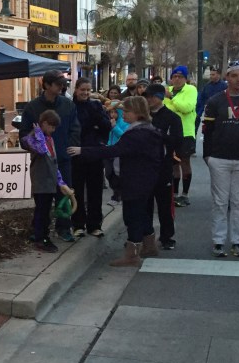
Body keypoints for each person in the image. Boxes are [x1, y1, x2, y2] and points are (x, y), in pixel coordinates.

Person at [68, 96, 166, 267]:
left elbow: (114, 150)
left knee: (132, 216)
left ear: (137, 113)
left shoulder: (137, 134)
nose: (123, 114)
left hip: (135, 180)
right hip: (145, 179)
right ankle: (149, 245)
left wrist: (83, 151)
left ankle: (132, 254)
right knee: (142, 213)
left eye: (126, 111)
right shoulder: (148, 130)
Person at [18, 70, 81, 242]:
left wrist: (68, 148)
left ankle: (64, 227)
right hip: (42, 163)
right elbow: (24, 135)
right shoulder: (32, 107)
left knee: (64, 195)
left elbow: (75, 129)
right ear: (46, 85)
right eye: (58, 84)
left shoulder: (68, 105)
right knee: (43, 199)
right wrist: (35, 146)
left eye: (63, 84)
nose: (62, 87)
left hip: (62, 159)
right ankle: (39, 230)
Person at [201, 61, 239, 258]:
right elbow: (207, 130)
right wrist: (207, 155)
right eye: (234, 76)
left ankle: (238, 242)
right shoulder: (215, 101)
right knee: (220, 201)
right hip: (219, 158)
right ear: (227, 78)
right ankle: (219, 241)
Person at [22, 110, 76, 253]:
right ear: (44, 123)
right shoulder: (32, 138)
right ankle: (41, 239)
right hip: (40, 180)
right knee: (42, 211)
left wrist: (61, 182)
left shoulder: (49, 139)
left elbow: (53, 162)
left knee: (45, 210)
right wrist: (39, 134)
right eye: (51, 127)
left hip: (50, 181)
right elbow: (40, 150)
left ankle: (39, 233)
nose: (53, 130)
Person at [71, 77, 111, 238]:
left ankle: (95, 225)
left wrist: (97, 123)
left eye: (88, 90)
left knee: (95, 191)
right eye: (83, 90)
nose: (86, 93)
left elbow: (106, 126)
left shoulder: (96, 106)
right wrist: (93, 127)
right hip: (75, 153)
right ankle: (78, 224)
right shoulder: (71, 107)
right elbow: (75, 129)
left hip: (94, 153)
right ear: (76, 89)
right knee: (77, 191)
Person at [145, 84, 182, 250]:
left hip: (163, 165)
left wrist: (157, 132)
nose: (149, 99)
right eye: (147, 96)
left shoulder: (172, 117)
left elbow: (177, 141)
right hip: (144, 166)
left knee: (164, 205)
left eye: (152, 96)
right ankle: (144, 236)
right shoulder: (142, 115)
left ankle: (167, 237)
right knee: (144, 204)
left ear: (160, 97)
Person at [164, 65, 198, 207]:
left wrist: (172, 98)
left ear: (185, 79)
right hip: (171, 133)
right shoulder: (167, 90)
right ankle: (174, 193)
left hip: (186, 133)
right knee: (173, 164)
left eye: (180, 77)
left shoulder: (190, 90)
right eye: (174, 77)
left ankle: (185, 194)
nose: (177, 79)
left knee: (184, 162)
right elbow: (165, 110)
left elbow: (186, 108)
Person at [105, 101, 129, 205]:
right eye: (111, 112)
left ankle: (117, 195)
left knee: (116, 174)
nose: (113, 114)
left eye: (115, 112)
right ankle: (118, 193)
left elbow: (123, 136)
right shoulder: (107, 121)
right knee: (108, 173)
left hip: (118, 151)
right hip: (108, 149)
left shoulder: (124, 122)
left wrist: (114, 127)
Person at [196, 66, 227, 134]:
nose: (211, 76)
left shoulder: (224, 86)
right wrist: (199, 113)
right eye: (210, 74)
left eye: (213, 74)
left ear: (218, 75)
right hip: (209, 114)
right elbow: (202, 99)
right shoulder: (207, 86)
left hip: (221, 114)